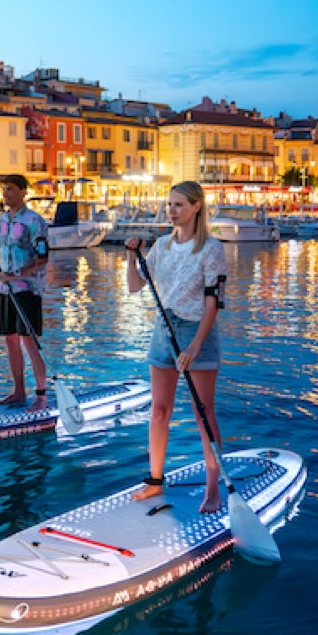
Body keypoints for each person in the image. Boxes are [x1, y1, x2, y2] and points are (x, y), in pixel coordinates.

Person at [124, 181, 227, 513]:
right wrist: (130, 255)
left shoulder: (211, 248)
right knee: (159, 410)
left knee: (203, 413)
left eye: (179, 205)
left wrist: (195, 346)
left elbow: (214, 304)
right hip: (163, 329)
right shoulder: (161, 246)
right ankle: (155, 481)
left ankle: (213, 490)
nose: (172, 210)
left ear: (196, 207)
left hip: (197, 329)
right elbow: (134, 286)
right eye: (169, 204)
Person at [0, 174, 50, 412]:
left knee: (29, 341)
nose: (6, 194)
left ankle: (42, 395)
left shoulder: (34, 222)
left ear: (23, 192)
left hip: (26, 290)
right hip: (5, 291)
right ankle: (18, 391)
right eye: (4, 190)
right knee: (11, 341)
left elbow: (43, 257)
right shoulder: (3, 220)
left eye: (11, 189)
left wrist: (16, 274)